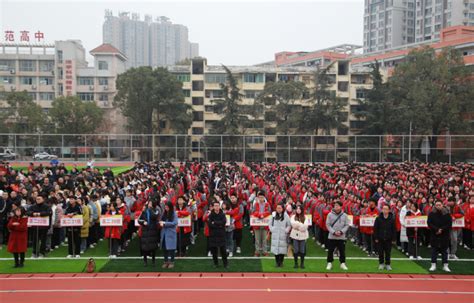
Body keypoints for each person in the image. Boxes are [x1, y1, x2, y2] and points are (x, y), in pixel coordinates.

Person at [427, 200, 452, 272]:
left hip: (444, 235)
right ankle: (433, 265)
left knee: (444, 251)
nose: (438, 206)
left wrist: (441, 229)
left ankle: (445, 265)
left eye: (439, 205)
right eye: (437, 205)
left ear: (442, 205)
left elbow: (449, 224)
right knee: (434, 250)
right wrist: (436, 229)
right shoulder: (431, 213)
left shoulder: (447, 214)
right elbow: (429, 223)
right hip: (434, 234)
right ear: (435, 205)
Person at [325, 200, 350, 271]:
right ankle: (329, 263)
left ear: (341, 207)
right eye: (335, 205)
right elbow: (328, 224)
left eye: (338, 206)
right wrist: (333, 232)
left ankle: (342, 263)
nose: (336, 207)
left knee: (342, 251)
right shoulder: (330, 214)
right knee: (330, 251)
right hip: (332, 236)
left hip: (341, 237)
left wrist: (341, 232)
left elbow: (347, 225)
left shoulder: (345, 215)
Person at [373, 204, 396, 270]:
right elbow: (375, 229)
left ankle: (388, 264)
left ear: (389, 210)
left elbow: (394, 229)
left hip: (388, 239)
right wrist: (376, 238)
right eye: (383, 209)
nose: (384, 210)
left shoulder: (391, 219)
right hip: (380, 238)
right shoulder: (378, 218)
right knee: (380, 252)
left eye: (386, 209)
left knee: (388, 252)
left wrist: (394, 238)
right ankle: (381, 264)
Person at [138, 200, 160, 267]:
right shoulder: (144, 211)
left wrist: (150, 210)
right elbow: (139, 220)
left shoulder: (156, 210)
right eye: (149, 203)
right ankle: (145, 261)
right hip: (145, 231)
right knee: (145, 247)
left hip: (153, 231)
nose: (149, 204)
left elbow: (154, 216)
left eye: (151, 203)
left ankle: (153, 261)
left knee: (153, 247)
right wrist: (143, 222)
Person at [269, 203, 291, 267]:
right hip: (275, 234)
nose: (278, 209)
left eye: (280, 208)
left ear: (282, 208)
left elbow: (289, 225)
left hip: (283, 234)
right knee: (275, 249)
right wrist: (272, 229)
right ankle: (277, 262)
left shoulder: (286, 216)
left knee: (282, 249)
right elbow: (270, 224)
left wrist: (286, 230)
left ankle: (281, 262)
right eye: (277, 208)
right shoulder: (273, 215)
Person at [208, 199, 228, 268]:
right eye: (215, 206)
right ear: (213, 207)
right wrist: (219, 224)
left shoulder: (222, 214)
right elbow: (210, 224)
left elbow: (223, 222)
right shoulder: (211, 215)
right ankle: (215, 263)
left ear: (220, 206)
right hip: (213, 235)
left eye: (217, 206)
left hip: (221, 234)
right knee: (214, 251)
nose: (216, 207)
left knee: (223, 250)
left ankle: (225, 264)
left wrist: (215, 223)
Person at [251, 191, 271, 257]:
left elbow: (269, 212)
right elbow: (253, 212)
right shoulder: (255, 204)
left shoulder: (267, 204)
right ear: (258, 198)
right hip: (257, 224)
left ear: (264, 198)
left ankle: (265, 251)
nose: (261, 199)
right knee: (257, 239)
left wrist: (263, 215)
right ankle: (257, 252)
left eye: (262, 197)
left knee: (264, 239)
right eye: (259, 197)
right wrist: (259, 215)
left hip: (265, 224)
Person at [160, 201, 178, 269]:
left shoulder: (174, 213)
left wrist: (165, 223)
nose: (166, 208)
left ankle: (172, 262)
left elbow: (175, 223)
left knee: (171, 249)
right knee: (164, 248)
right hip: (164, 233)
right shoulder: (164, 213)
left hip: (171, 233)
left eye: (167, 207)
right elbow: (161, 220)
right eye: (165, 207)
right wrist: (161, 222)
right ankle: (166, 261)